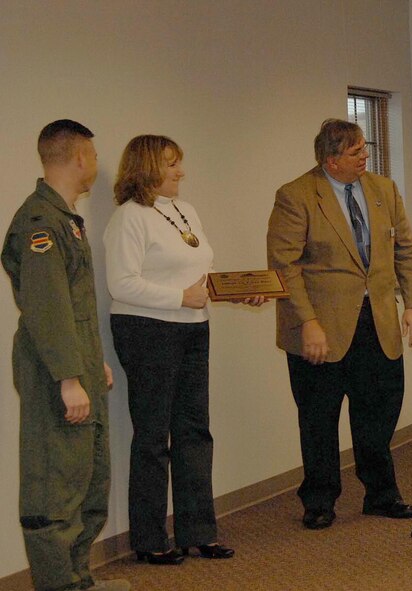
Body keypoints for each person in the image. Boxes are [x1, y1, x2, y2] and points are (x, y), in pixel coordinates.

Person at [104, 135, 260, 565]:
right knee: (154, 437)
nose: (181, 172)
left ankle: (198, 531)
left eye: (179, 164)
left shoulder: (184, 211)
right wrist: (179, 298)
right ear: (148, 167)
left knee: (195, 431)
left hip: (193, 328)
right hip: (147, 330)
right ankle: (150, 539)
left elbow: (202, 274)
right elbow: (121, 283)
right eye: (171, 164)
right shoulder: (128, 218)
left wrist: (238, 292)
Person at [267, 118, 412, 530]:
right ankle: (319, 500)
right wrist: (308, 323)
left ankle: (381, 494)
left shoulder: (383, 190)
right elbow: (284, 266)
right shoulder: (296, 195)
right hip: (320, 329)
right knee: (319, 418)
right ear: (331, 161)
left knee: (379, 411)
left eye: (364, 150)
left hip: (378, 322)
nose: (365, 157)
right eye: (356, 153)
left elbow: (404, 248)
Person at [1, 120, 130, 591]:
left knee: (88, 483)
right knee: (55, 489)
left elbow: (70, 309)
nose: (96, 162)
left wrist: (90, 362)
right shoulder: (40, 223)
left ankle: (78, 579)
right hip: (55, 375)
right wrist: (69, 378)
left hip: (76, 368)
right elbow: (47, 305)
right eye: (94, 154)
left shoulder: (64, 219)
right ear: (79, 157)